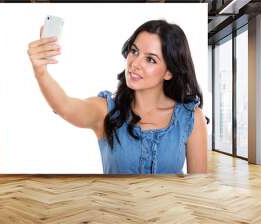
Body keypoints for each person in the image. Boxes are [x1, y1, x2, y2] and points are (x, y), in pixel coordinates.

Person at [27, 20, 208, 174]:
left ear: (169, 72)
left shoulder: (190, 117)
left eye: (150, 59)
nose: (135, 64)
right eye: (134, 51)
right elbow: (65, 106)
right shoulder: (106, 110)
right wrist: (40, 71)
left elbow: (197, 188)